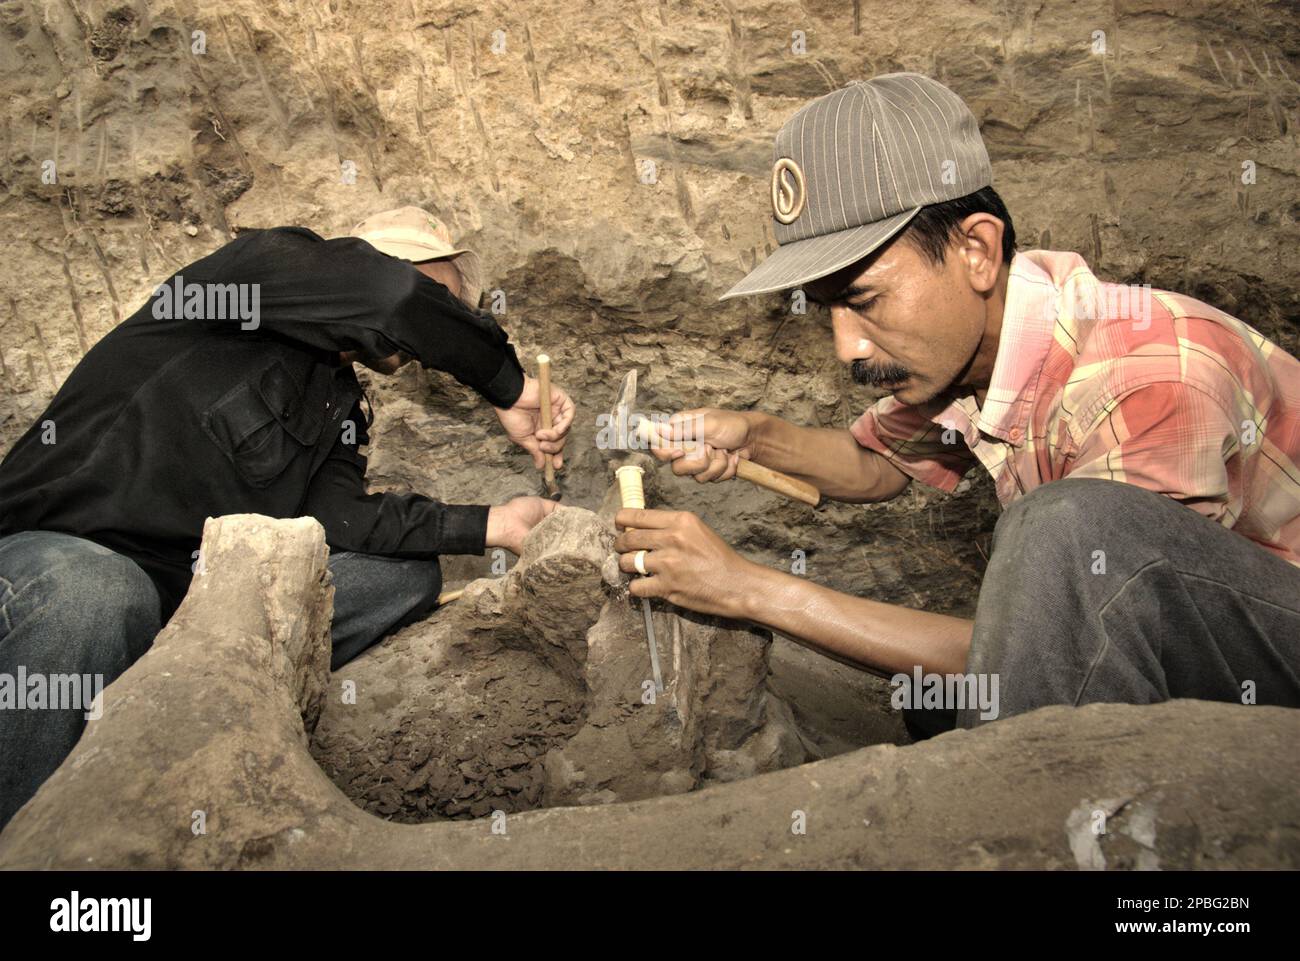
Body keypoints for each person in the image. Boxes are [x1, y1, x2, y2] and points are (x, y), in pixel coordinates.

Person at [612, 73, 1300, 738]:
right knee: (936, 705)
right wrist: (754, 439)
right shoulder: (977, 346)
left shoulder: (1150, 376)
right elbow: (873, 462)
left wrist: (750, 590)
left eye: (864, 301)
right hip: (1189, 625)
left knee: (1060, 530)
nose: (846, 347)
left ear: (975, 249)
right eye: (826, 311)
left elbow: (1059, 640)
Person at [0, 205, 573, 829]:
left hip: (185, 600)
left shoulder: (342, 399)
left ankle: (178, 723)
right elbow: (394, 297)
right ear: (362, 265)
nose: (438, 326)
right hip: (54, 556)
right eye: (443, 305)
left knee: (404, 579)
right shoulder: (246, 279)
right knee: (100, 592)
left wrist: (500, 524)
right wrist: (510, 388)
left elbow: (339, 524)